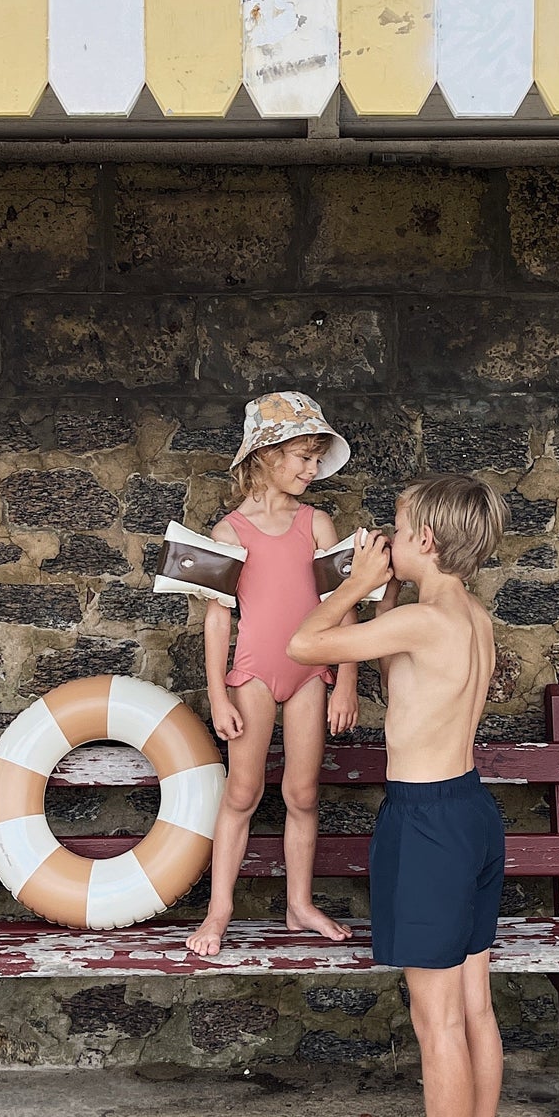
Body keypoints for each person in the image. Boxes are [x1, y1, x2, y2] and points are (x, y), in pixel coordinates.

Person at [288, 473, 510, 1117]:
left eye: (394, 523)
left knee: (437, 1023)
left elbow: (303, 644)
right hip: (469, 811)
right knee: (474, 1009)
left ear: (422, 541)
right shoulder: (464, 619)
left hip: (427, 827)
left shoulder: (423, 620)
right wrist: (385, 595)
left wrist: (353, 581)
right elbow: (400, 679)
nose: (383, 534)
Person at [183, 391, 360, 958]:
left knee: (303, 792)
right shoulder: (229, 533)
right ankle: (219, 911)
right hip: (254, 674)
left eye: (316, 458)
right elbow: (217, 621)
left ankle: (299, 903)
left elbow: (347, 603)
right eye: (303, 457)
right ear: (265, 455)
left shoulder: (319, 524)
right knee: (242, 791)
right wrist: (218, 695)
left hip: (311, 675)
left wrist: (348, 680)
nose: (312, 470)